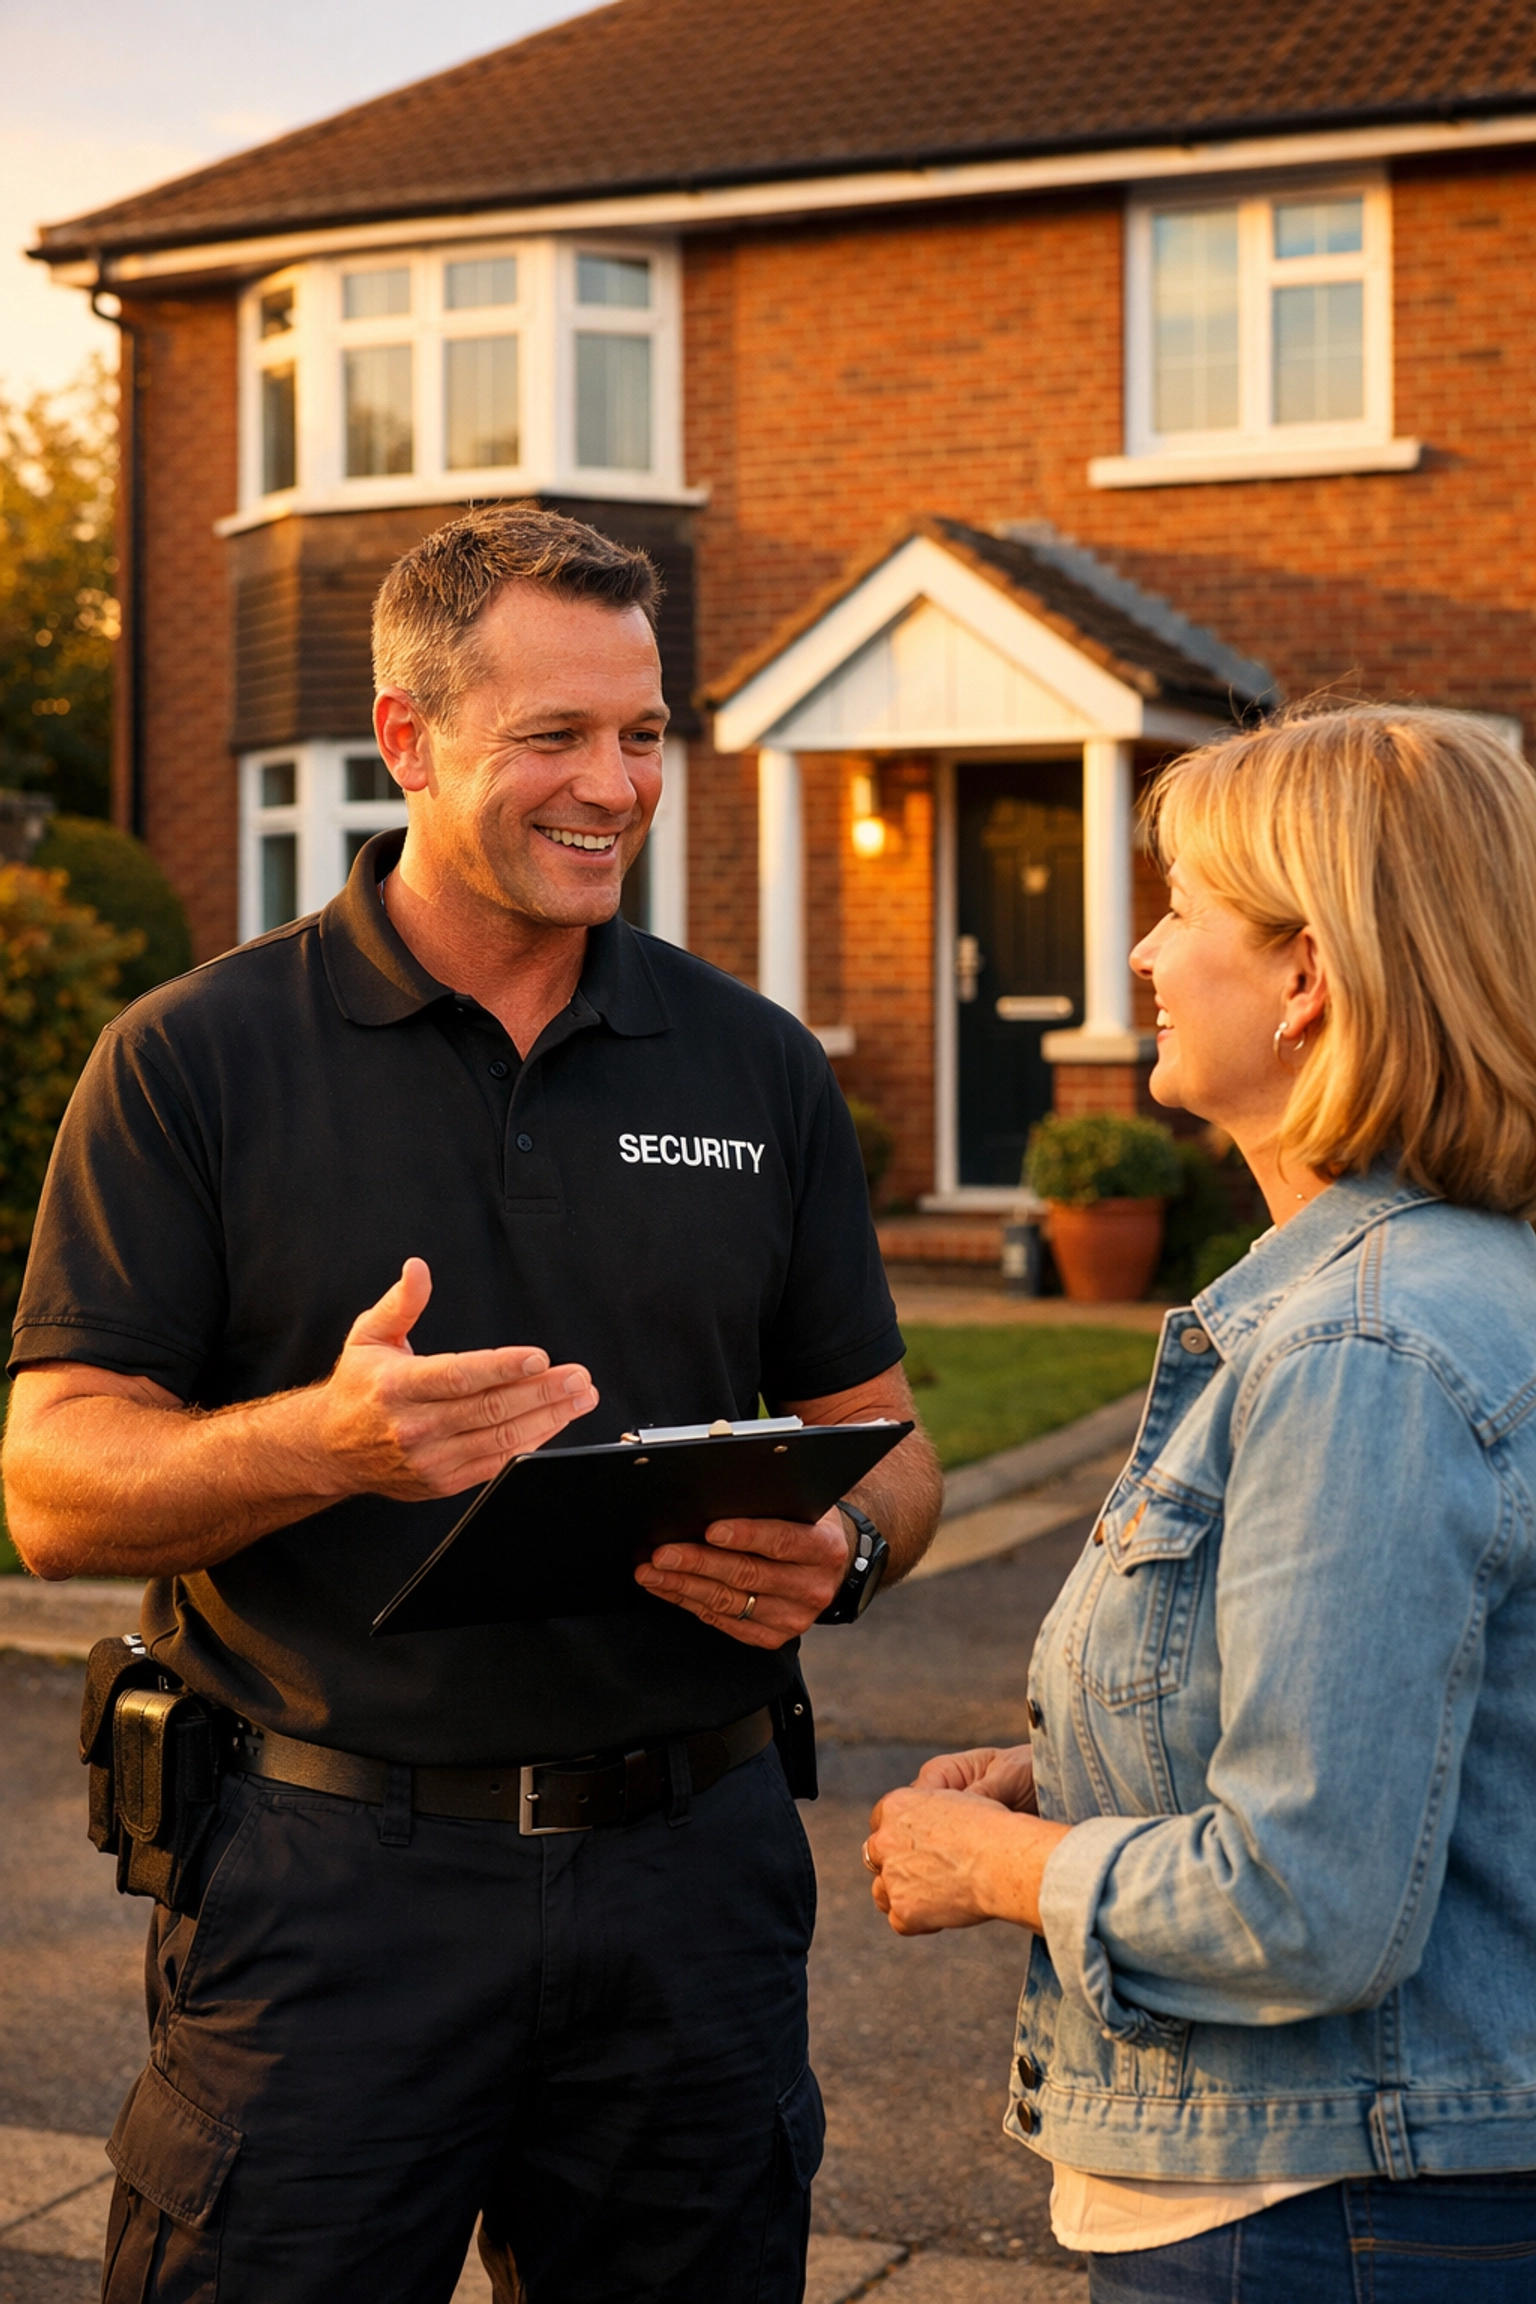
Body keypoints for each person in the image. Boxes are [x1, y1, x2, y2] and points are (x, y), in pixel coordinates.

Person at [1, 504, 942, 2304]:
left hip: (695, 1884)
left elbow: (890, 1445)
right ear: (409, 741)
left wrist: (848, 1548)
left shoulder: (754, 1062)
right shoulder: (194, 1060)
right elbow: (50, 1489)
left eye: (643, 733)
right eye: (554, 735)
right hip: (328, 1890)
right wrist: (327, 1442)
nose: (616, 786)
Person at [862, 705, 1536, 2301]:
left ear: (1309, 977)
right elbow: (1433, 1732)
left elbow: (1307, 1900)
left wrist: (996, 1867)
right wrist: (1080, 1768)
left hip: (1324, 2220)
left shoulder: (1363, 1349)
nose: (1143, 954)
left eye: (1181, 911)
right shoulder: (1445, 1289)